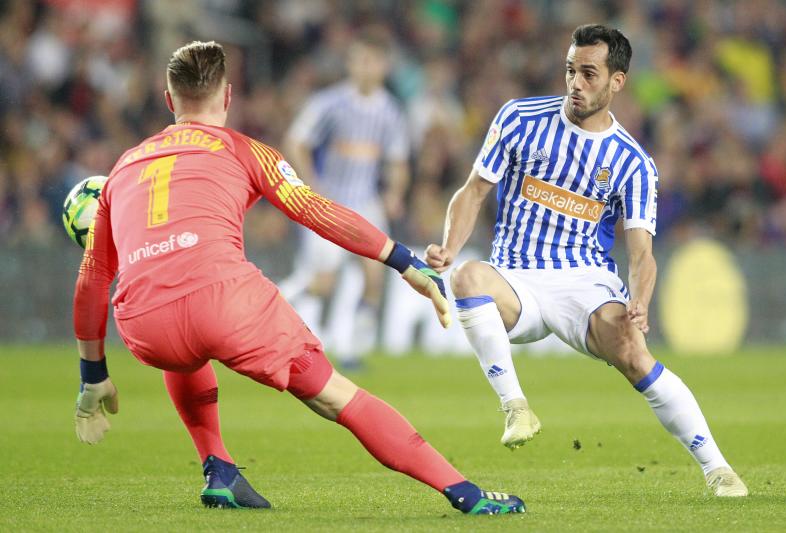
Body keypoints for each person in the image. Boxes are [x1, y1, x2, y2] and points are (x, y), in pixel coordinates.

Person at [72, 40, 525, 515]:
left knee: (182, 349)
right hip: (225, 305)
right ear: (228, 96)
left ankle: (219, 470)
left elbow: (92, 280)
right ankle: (465, 493)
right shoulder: (245, 150)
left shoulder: (122, 167)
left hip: (145, 324)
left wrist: (93, 376)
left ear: (169, 100)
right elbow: (315, 210)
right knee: (336, 396)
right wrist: (403, 262)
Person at [424, 25, 748, 498]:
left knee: (634, 353)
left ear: (617, 81)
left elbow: (641, 253)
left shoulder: (633, 162)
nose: (576, 83)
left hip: (584, 283)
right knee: (466, 275)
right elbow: (473, 191)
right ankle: (516, 407)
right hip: (515, 279)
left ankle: (717, 469)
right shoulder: (519, 118)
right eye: (570, 70)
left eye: (589, 74)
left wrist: (640, 300)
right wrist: (450, 245)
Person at [281, 27, 410, 366]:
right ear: (350, 64)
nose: (365, 67)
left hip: (367, 204)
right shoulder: (329, 103)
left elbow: (397, 161)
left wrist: (394, 193)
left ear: (383, 65)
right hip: (330, 204)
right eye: (359, 60)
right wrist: (311, 183)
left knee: (374, 277)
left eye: (372, 61)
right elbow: (295, 140)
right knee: (324, 283)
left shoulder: (390, 111)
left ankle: (353, 350)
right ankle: (279, 299)